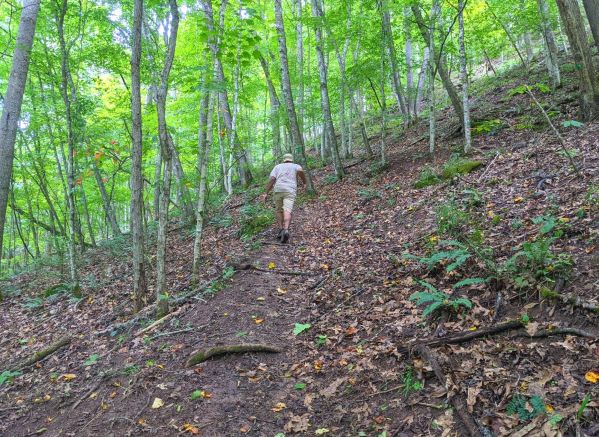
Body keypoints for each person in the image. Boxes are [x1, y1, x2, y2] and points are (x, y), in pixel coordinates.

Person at [261, 153, 306, 243]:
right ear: (291, 159)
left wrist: (266, 193)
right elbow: (301, 171)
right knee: (287, 210)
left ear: (284, 160)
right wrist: (304, 182)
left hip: (278, 189)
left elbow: (272, 179)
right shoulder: (296, 166)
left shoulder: (277, 167)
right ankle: (286, 230)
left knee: (279, 210)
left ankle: (281, 229)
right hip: (290, 190)